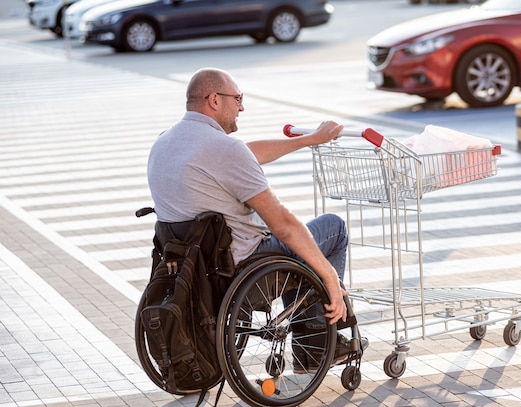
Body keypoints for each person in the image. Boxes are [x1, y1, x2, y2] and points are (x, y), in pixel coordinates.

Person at [147, 67, 364, 371]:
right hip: (243, 270)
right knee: (330, 230)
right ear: (214, 100)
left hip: (195, 271)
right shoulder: (224, 149)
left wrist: (309, 140)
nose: (242, 107)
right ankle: (314, 344)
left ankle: (308, 339)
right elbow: (284, 225)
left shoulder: (166, 142)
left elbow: (246, 153)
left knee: (297, 246)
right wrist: (328, 276)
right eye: (237, 98)